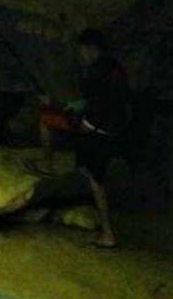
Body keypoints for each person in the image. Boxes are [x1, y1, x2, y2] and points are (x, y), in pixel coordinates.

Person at [36, 28, 130, 249]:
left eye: (81, 51)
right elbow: (97, 102)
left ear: (90, 49)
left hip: (98, 132)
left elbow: (97, 109)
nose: (80, 56)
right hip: (113, 129)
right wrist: (70, 107)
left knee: (95, 181)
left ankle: (108, 234)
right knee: (91, 175)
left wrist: (79, 123)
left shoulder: (95, 72)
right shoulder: (115, 68)